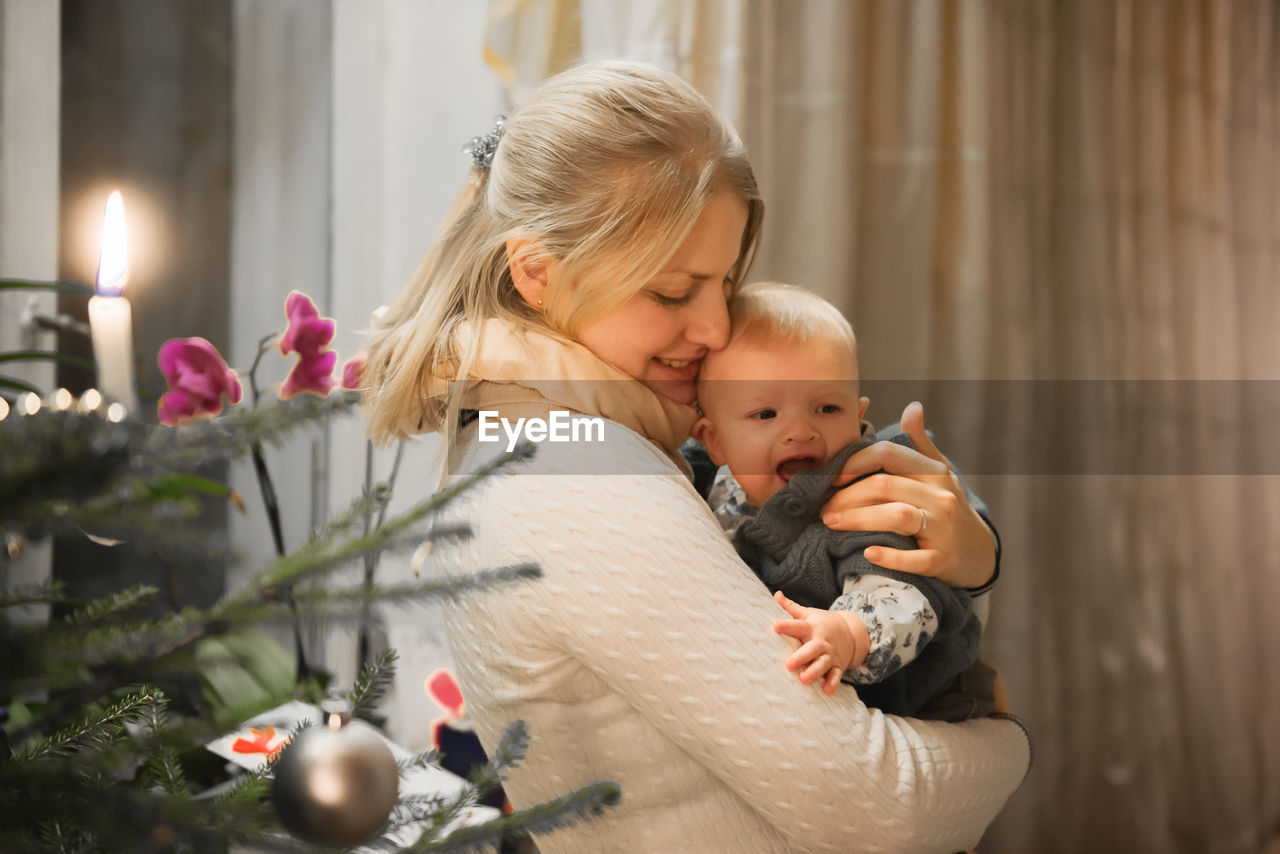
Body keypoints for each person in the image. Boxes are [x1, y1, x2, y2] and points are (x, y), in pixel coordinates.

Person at [362, 60, 1029, 853]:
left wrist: (971, 555)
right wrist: (1010, 741)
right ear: (537, 272)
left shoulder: (555, 430)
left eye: (725, 283)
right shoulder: (579, 476)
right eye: (674, 293)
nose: (715, 329)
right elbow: (883, 805)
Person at [691, 282, 989, 720]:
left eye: (826, 408)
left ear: (858, 413)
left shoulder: (871, 491)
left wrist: (849, 634)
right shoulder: (712, 481)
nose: (800, 431)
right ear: (714, 441)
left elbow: (899, 595)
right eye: (766, 414)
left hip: (923, 699)